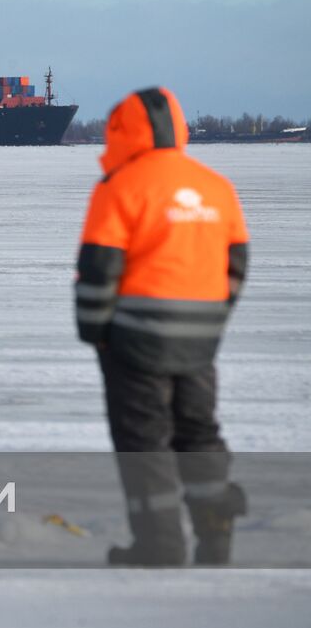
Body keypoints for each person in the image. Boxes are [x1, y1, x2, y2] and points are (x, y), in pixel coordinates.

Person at [74, 87, 249, 566]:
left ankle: (160, 546)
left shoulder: (121, 186)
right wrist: (213, 316)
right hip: (200, 341)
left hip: (136, 342)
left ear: (122, 130)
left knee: (143, 441)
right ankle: (216, 531)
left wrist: (97, 334)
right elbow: (236, 262)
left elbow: (98, 270)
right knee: (198, 431)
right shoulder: (216, 186)